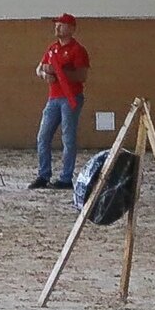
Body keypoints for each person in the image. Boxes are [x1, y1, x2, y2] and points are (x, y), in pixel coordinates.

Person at [30, 12, 88, 189]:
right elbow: (39, 69)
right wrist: (45, 74)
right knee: (43, 136)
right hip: (53, 97)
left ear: (71, 28)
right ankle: (43, 174)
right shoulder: (51, 48)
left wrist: (59, 72)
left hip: (70, 97)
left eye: (61, 24)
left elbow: (82, 75)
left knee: (68, 138)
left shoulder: (78, 50)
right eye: (56, 24)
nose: (57, 27)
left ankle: (66, 177)